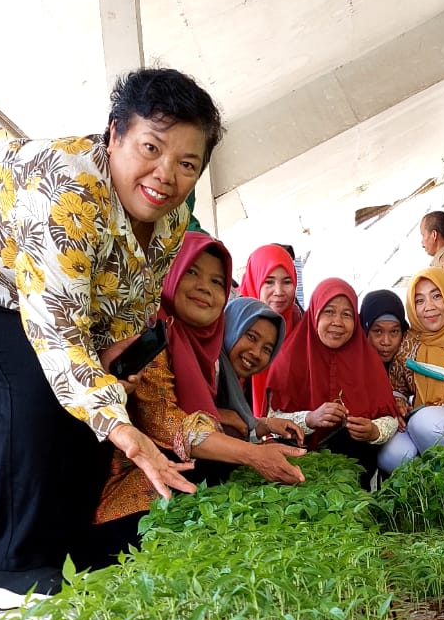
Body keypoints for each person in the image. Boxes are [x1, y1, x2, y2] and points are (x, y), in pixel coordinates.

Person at [0, 66, 224, 601]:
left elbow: (127, 312)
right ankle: (10, 564)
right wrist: (123, 429)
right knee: (32, 390)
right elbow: (57, 339)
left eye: (186, 164)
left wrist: (112, 388)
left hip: (43, 300)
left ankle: (67, 549)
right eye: (150, 147)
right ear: (115, 133)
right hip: (5, 288)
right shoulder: (68, 193)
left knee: (100, 399)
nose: (165, 174)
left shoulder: (171, 219)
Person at [88, 234, 305, 564]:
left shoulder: (203, 351)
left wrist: (250, 429)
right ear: (170, 273)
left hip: (177, 496)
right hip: (136, 507)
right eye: (192, 272)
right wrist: (254, 455)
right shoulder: (151, 335)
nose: (205, 287)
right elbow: (168, 423)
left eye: (217, 281)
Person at [261, 278, 399, 485]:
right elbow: (271, 419)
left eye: (346, 314)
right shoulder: (290, 357)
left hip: (352, 469)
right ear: (315, 313)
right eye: (329, 311)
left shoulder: (367, 360)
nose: (337, 322)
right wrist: (310, 418)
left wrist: (373, 430)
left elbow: (390, 417)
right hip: (300, 464)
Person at [380, 268, 444, 474]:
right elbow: (397, 385)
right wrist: (399, 401)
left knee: (425, 423)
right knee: (391, 454)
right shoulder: (410, 340)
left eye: (437, 296)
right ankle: (425, 488)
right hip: (416, 418)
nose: (428, 307)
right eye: (419, 301)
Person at [216, 298, 301, 441]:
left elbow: (241, 426)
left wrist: (266, 425)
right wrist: (214, 414)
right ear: (231, 326)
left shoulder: (232, 380)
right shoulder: (210, 368)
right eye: (251, 337)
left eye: (267, 349)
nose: (256, 353)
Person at [236, 245, 303, 416]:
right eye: (269, 281)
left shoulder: (301, 326)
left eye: (287, 282)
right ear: (254, 279)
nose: (279, 291)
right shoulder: (232, 324)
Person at [360, 289, 407, 367]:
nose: (386, 342)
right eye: (378, 331)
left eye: (394, 331)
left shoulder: (412, 366)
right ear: (365, 331)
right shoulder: (352, 369)